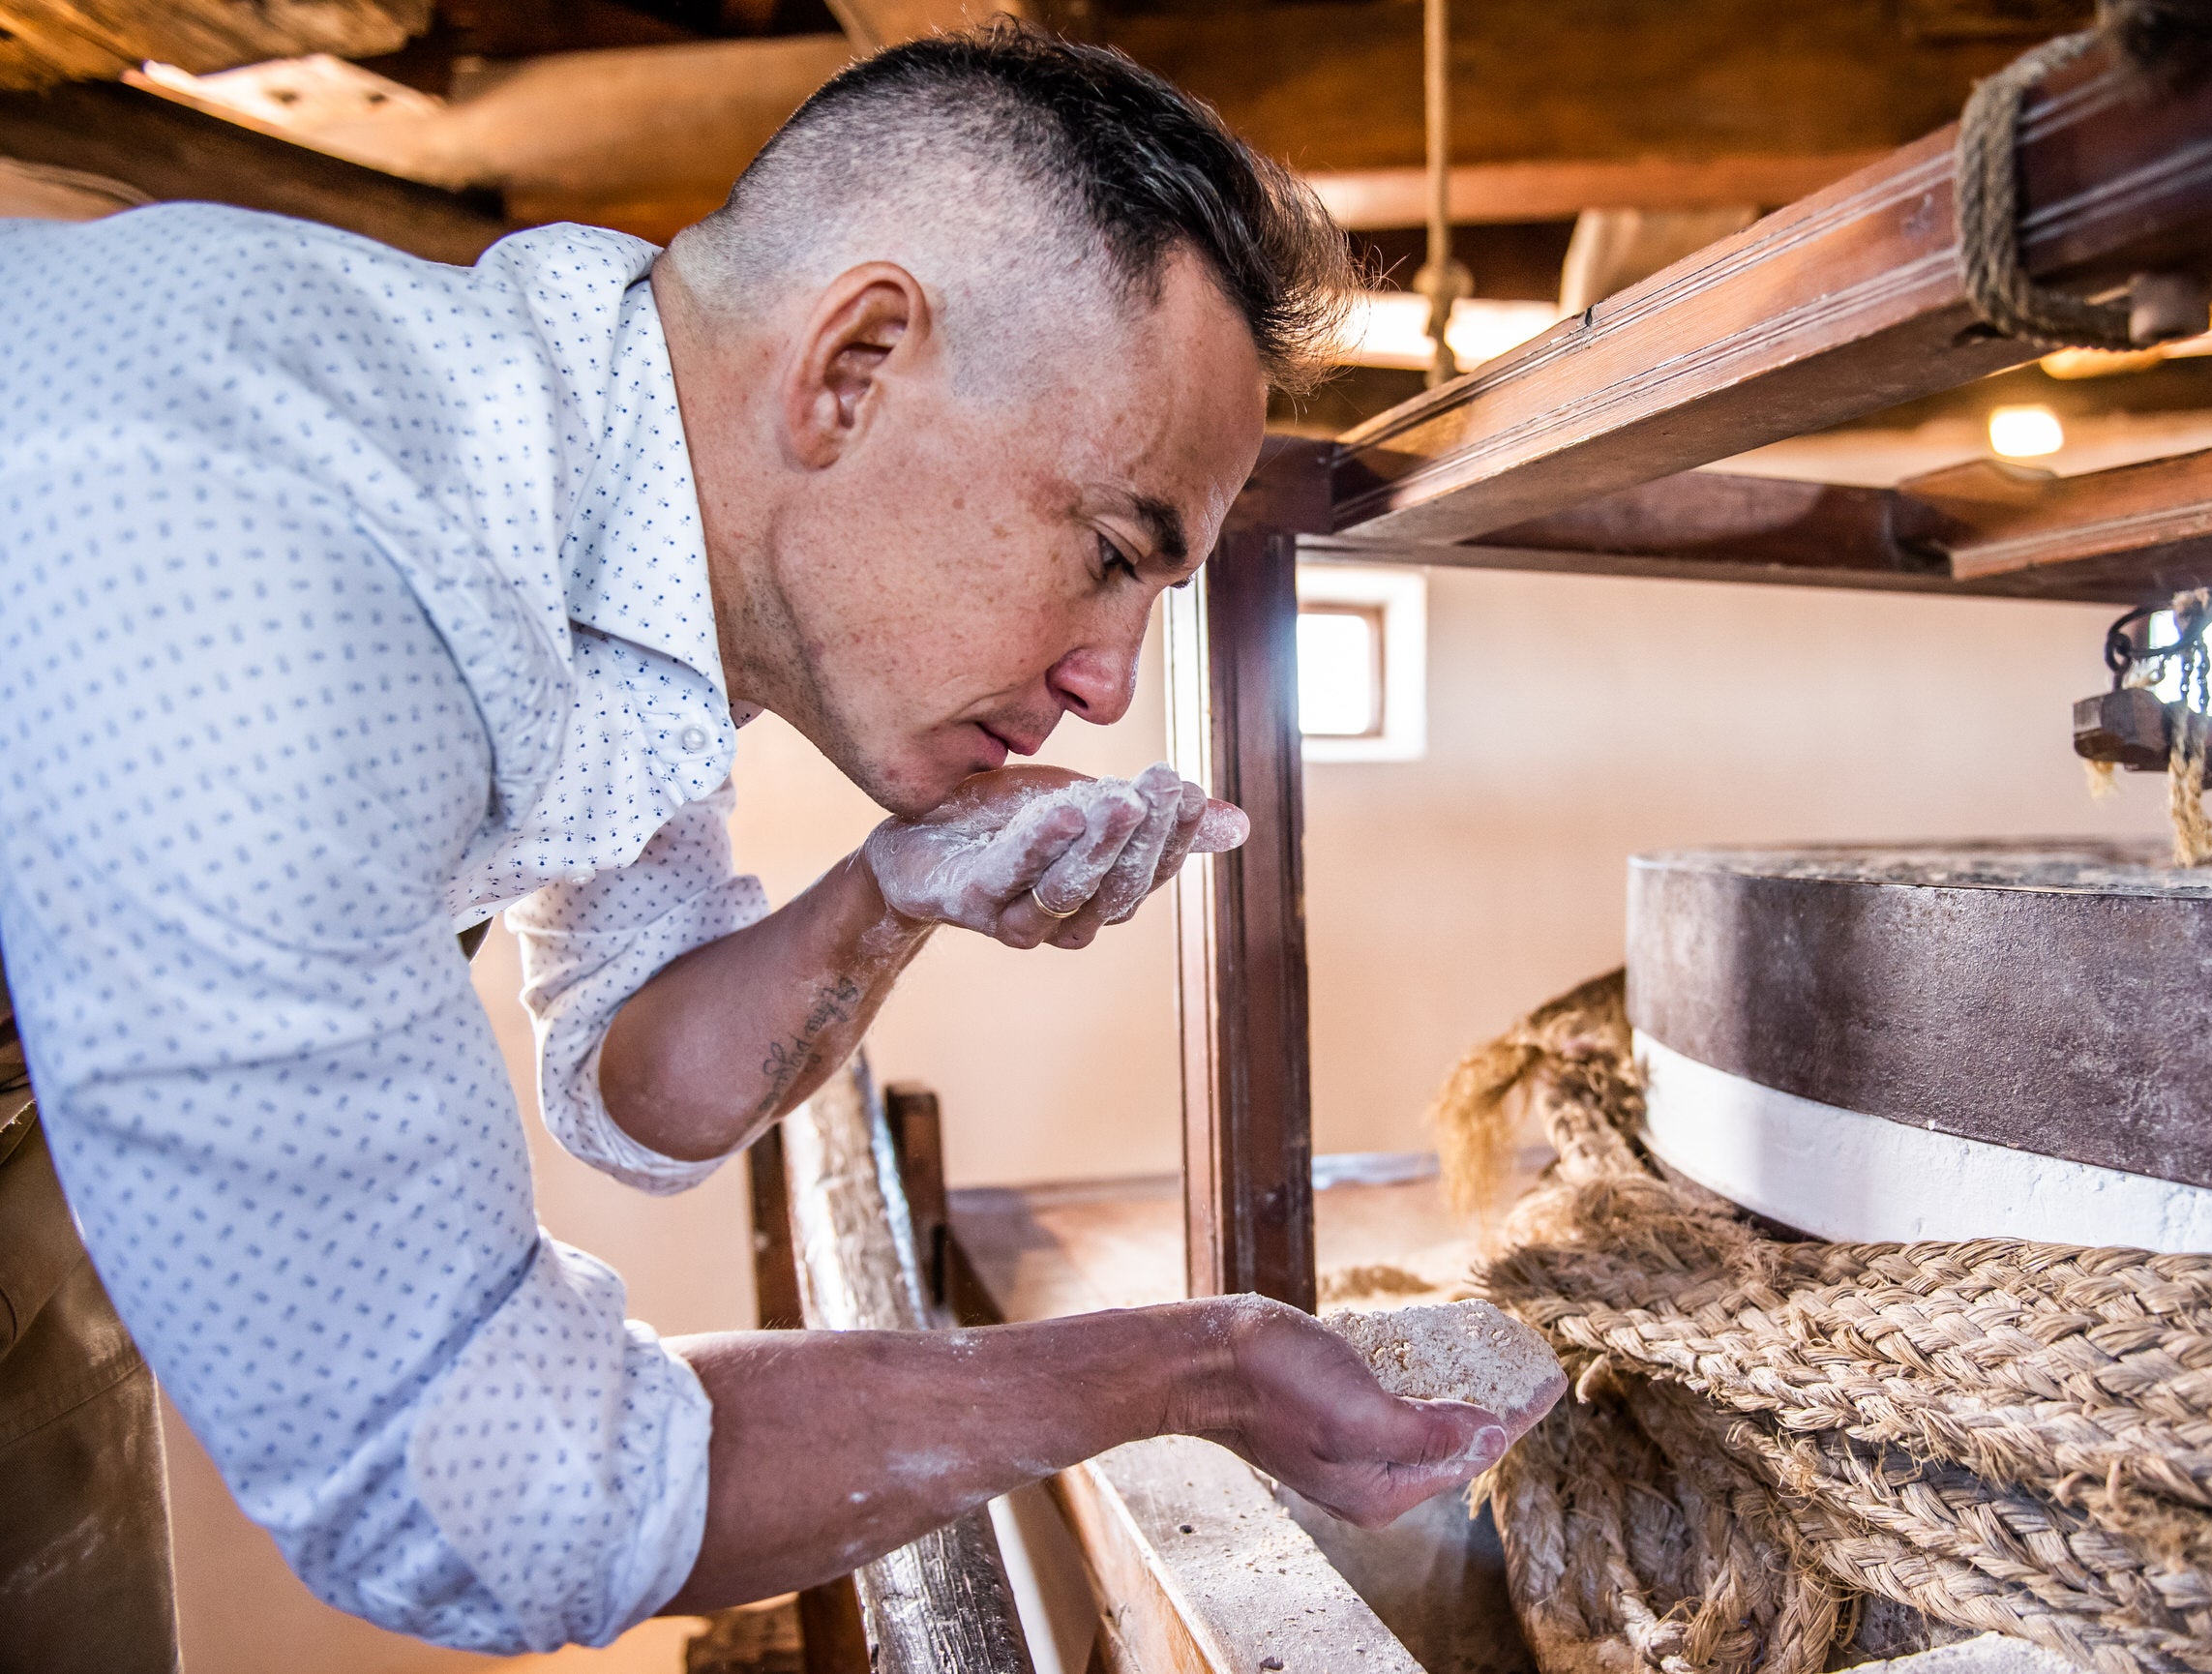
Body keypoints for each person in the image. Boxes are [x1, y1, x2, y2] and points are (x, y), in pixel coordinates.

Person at [0, 23, 1559, 1665]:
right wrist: (1194, 1371)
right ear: (855, 367)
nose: (1109, 684)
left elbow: (631, 1084)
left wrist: (890, 892)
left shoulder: (612, 524)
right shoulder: (296, 592)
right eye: (1110, 549)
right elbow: (496, 1496)